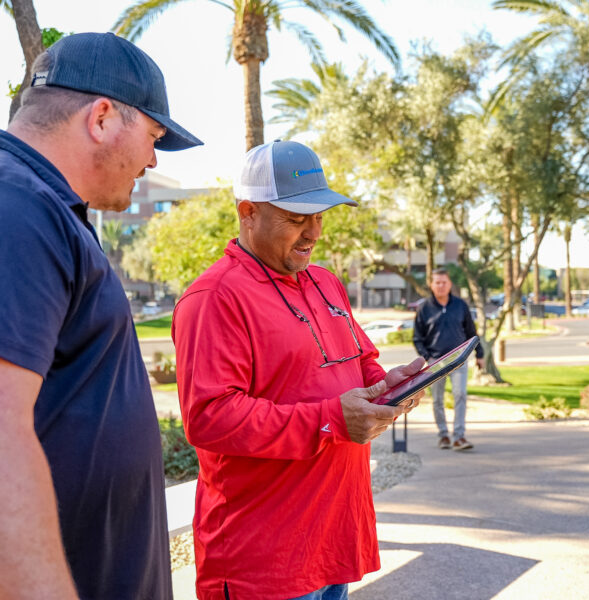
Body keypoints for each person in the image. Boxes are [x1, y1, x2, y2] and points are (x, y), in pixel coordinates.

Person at [172, 140, 425, 600]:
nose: (314, 233)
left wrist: (386, 387)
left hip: (333, 542)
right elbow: (209, 417)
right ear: (248, 212)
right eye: (296, 218)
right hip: (263, 562)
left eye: (320, 216)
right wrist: (329, 418)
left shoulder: (325, 281)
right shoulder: (214, 298)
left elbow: (360, 361)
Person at [0, 32, 202, 599]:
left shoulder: (45, 208)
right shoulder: (17, 205)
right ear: (104, 117)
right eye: (154, 136)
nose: (153, 159)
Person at [412, 268, 485, 451]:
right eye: (437, 282)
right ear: (431, 285)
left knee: (460, 394)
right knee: (437, 400)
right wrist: (427, 357)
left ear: (450, 284)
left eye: (444, 282)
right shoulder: (424, 308)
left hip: (459, 360)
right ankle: (443, 435)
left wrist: (480, 354)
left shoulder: (460, 305)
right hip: (436, 362)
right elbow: (417, 337)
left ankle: (459, 437)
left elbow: (471, 332)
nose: (441, 285)